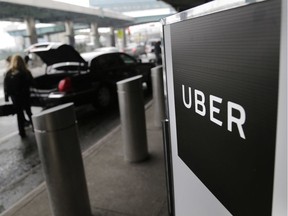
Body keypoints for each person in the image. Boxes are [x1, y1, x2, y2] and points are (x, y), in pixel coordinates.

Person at [4, 55, 34, 138]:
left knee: (19, 114)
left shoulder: (9, 72)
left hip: (15, 97)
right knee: (29, 112)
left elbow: (6, 85)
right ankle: (35, 128)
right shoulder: (26, 72)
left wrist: (7, 97)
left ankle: (22, 132)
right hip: (25, 96)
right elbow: (32, 83)